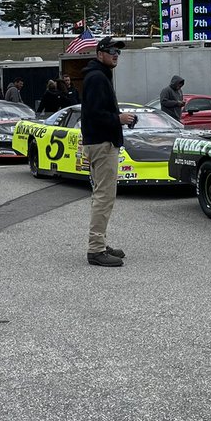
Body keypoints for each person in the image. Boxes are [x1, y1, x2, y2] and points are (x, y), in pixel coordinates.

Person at [81, 36, 136, 267]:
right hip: (102, 144)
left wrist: (122, 118)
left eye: (118, 51)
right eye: (111, 50)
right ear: (99, 53)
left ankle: (100, 243)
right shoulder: (96, 78)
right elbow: (94, 115)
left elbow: (98, 111)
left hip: (101, 142)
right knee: (104, 197)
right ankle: (96, 250)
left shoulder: (100, 76)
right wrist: (118, 119)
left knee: (104, 196)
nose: (115, 54)